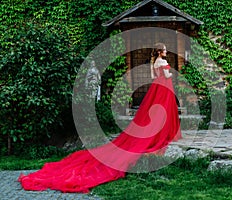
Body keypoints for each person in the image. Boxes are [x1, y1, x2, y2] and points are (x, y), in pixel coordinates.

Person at [18, 43, 182, 193]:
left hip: (158, 87)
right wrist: (170, 73)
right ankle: (164, 132)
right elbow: (167, 76)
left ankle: (161, 130)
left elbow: (154, 77)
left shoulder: (154, 62)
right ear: (160, 51)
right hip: (164, 88)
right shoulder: (161, 61)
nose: (167, 51)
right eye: (165, 49)